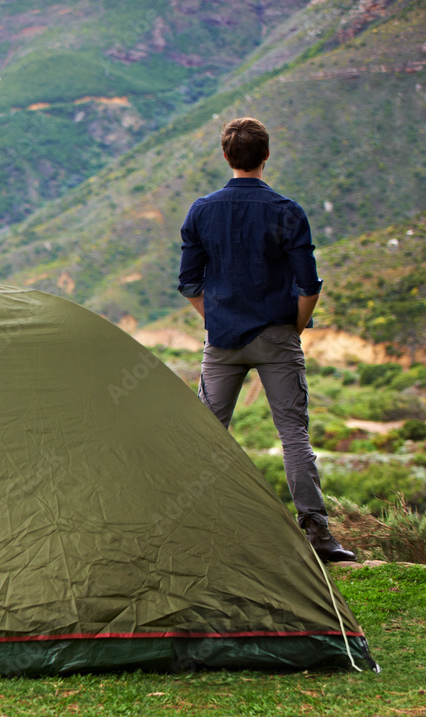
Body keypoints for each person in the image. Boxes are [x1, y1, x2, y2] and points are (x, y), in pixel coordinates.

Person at [177, 117, 354, 563]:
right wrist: (292, 329)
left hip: (222, 341)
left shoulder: (201, 210)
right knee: (294, 435)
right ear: (266, 155)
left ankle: (192, 529)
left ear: (225, 156)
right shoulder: (286, 210)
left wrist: (216, 319)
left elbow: (188, 283)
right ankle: (318, 536)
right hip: (277, 335)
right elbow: (308, 285)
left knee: (205, 435)